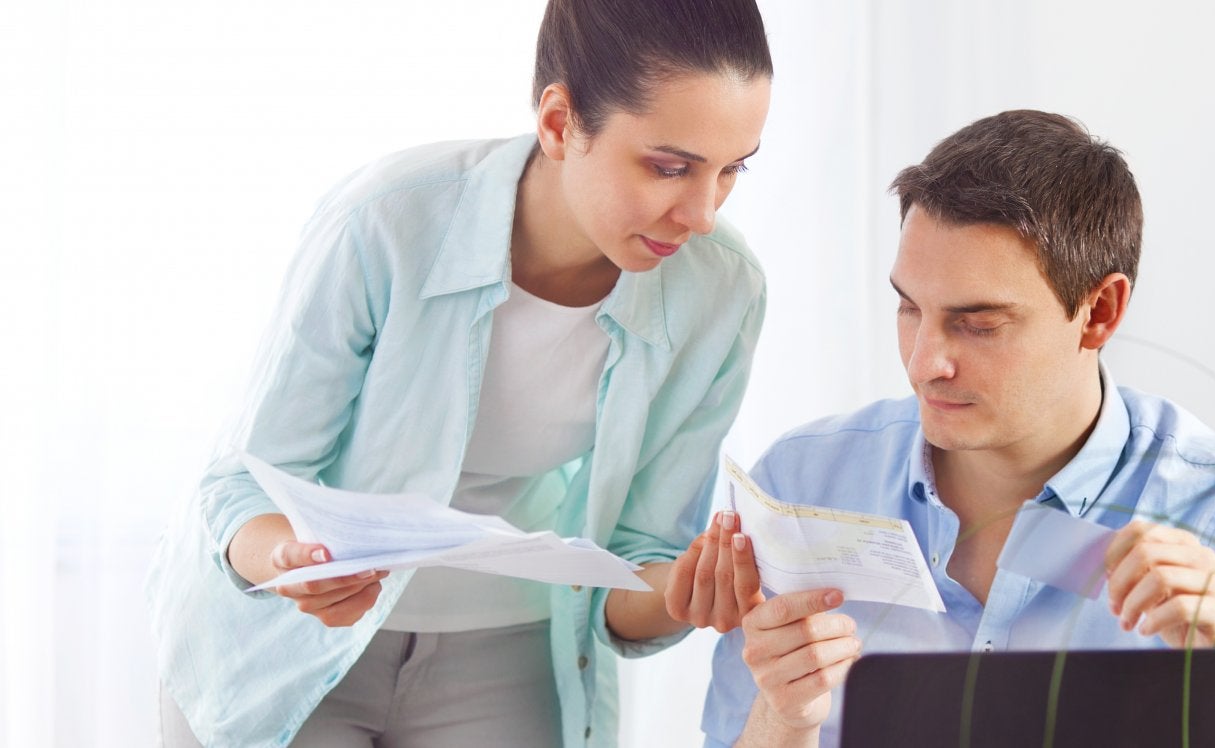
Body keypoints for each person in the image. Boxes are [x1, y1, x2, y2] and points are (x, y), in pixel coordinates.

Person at [145, 1, 774, 746]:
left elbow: (638, 558)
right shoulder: (386, 222)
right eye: (670, 168)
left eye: (732, 170)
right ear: (559, 122)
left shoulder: (720, 289)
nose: (702, 214)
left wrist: (692, 591)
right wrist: (295, 563)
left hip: (505, 643)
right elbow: (243, 481)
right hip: (287, 638)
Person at [698, 110, 1215, 747]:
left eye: (979, 324)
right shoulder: (803, 485)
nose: (924, 364)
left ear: (1100, 312)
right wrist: (785, 718)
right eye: (909, 307)